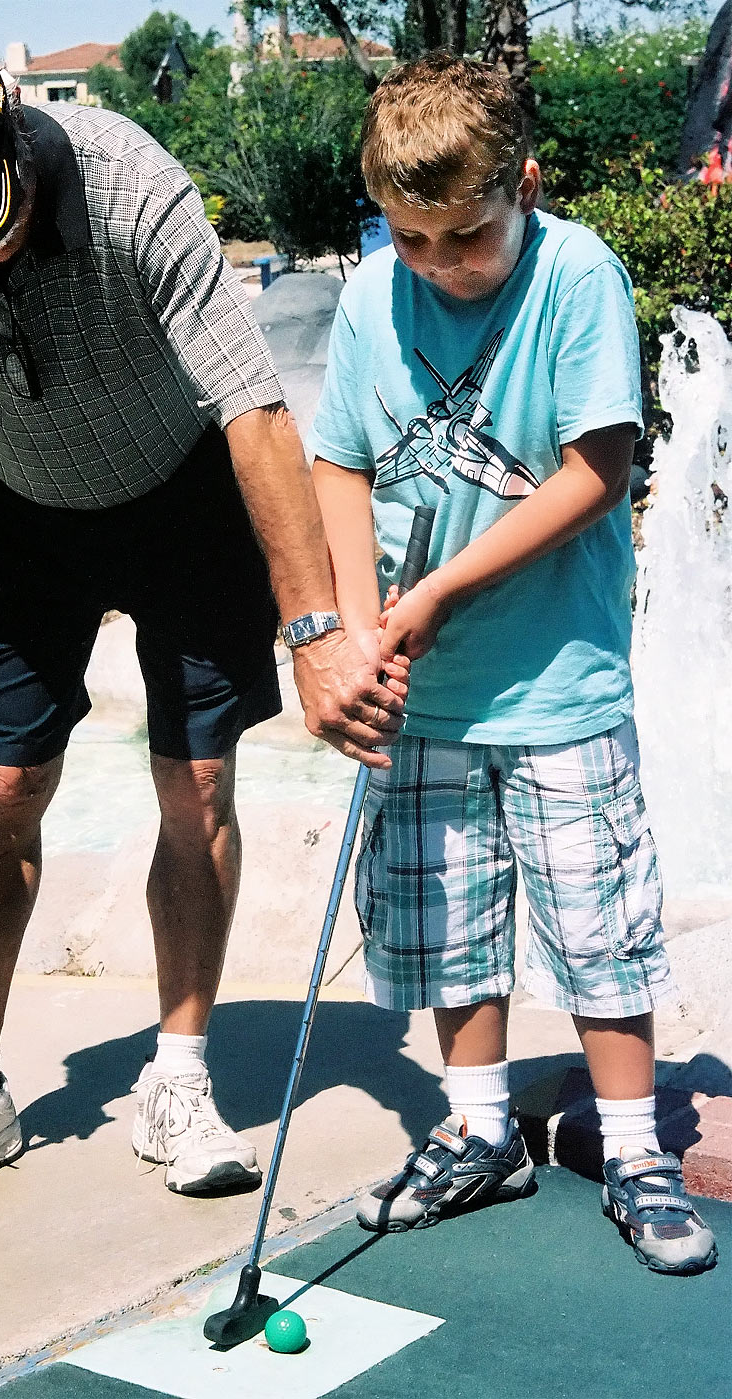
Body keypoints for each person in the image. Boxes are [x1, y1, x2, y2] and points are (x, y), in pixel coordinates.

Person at [0, 21, 408, 1208]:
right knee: (1, 797)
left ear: (16, 143)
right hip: (21, 512)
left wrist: (315, 632)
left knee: (194, 788)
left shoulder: (130, 184)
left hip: (183, 496)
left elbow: (253, 409)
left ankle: (179, 1077)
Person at [309, 52, 717, 1275]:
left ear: (524, 186)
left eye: (464, 236)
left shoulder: (575, 272)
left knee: (598, 920)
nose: (439, 263)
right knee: (446, 920)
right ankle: (480, 1129)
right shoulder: (373, 293)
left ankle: (637, 1148)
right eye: (411, 235)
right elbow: (335, 459)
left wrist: (435, 588)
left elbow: (600, 471)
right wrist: (350, 619)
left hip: (555, 677)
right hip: (423, 686)